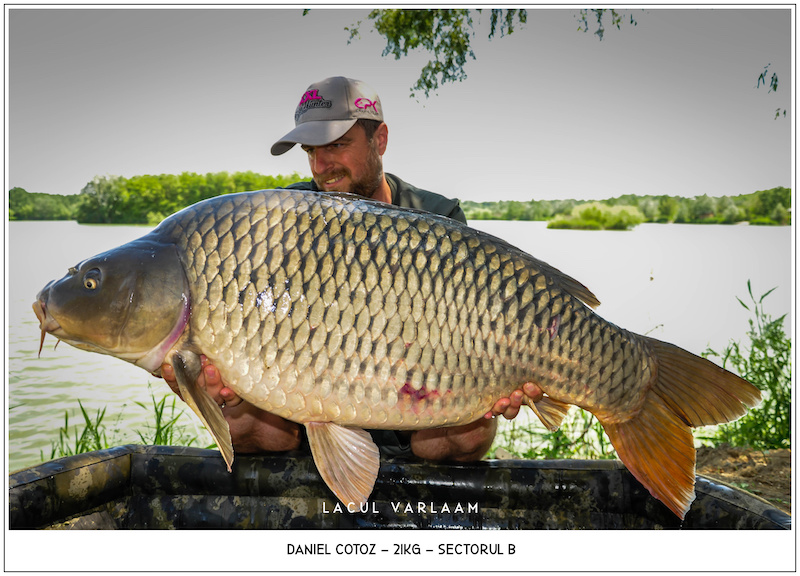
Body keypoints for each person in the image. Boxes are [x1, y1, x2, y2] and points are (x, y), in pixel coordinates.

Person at [161, 76, 543, 462]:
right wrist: (216, 378)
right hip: (306, 413)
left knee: (467, 436)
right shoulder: (283, 219)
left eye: (338, 146)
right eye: (310, 151)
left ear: (380, 140)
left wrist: (502, 376)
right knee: (245, 421)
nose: (321, 166)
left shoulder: (437, 217)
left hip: (414, 413)